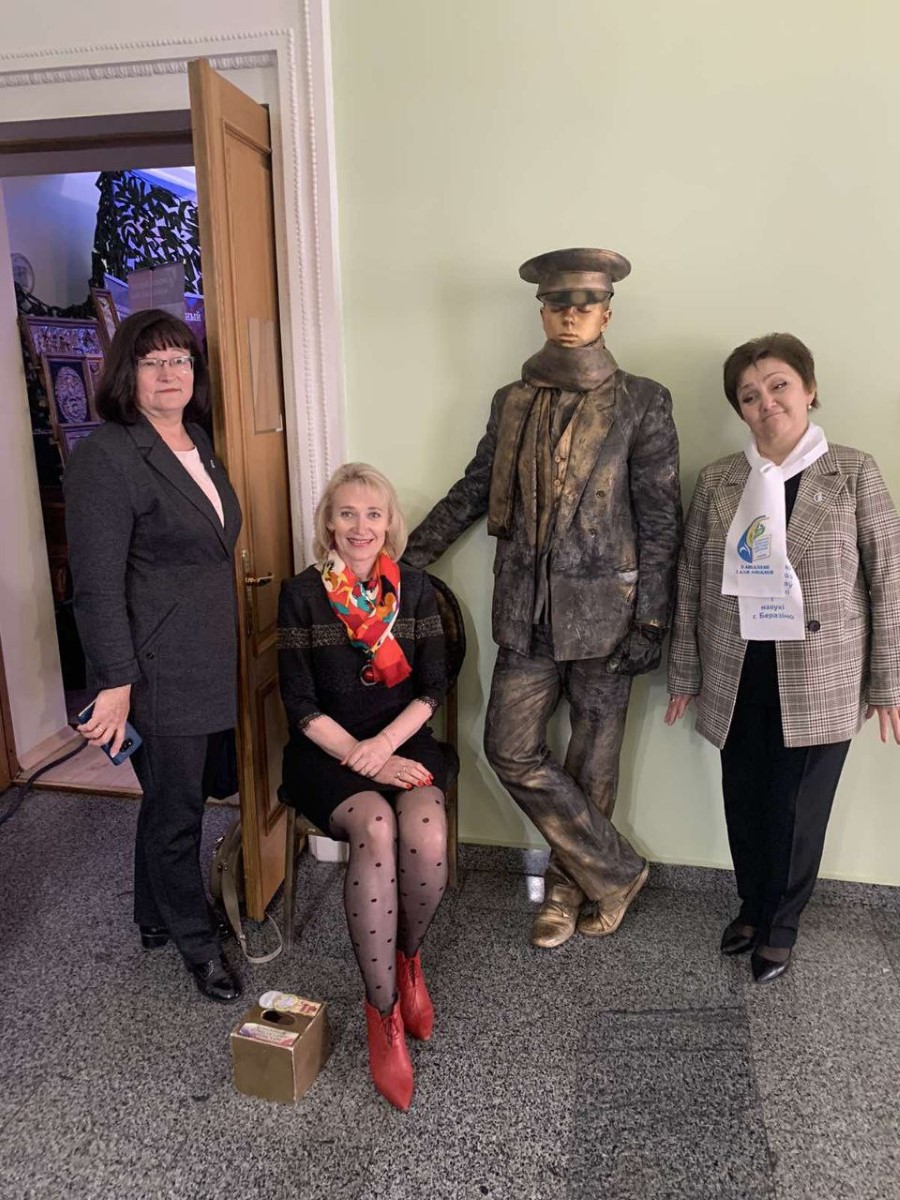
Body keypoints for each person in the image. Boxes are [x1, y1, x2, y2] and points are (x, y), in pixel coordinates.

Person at [404, 247, 682, 948]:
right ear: (542, 311)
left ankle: (565, 891)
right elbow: (475, 487)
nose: (570, 316)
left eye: (585, 305)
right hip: (524, 614)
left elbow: (660, 518)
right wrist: (407, 556)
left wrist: (652, 617)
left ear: (607, 314)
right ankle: (617, 872)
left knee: (593, 763)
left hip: (610, 615)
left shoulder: (643, 400)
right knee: (509, 748)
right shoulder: (513, 400)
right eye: (558, 304)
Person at [666, 332, 900, 982]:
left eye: (779, 386)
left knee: (797, 810)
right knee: (744, 798)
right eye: (749, 395)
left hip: (823, 675)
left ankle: (782, 925)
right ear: (739, 409)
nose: (766, 402)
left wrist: (888, 683)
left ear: (809, 390)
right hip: (738, 669)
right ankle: (752, 907)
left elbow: (889, 581)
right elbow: (690, 580)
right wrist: (684, 670)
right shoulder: (719, 480)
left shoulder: (853, 472)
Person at [65, 308, 243, 1003]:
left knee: (178, 795)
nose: (170, 373)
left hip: (208, 657)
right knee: (178, 813)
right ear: (126, 373)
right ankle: (198, 945)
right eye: (152, 361)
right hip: (154, 667)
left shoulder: (197, 439)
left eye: (181, 359)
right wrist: (115, 684)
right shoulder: (107, 457)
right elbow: (95, 586)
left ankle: (152, 913)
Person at [277, 463, 451, 1111]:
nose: (361, 526)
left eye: (373, 514)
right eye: (347, 513)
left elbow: (433, 687)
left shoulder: (416, 589)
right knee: (375, 825)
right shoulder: (301, 595)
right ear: (329, 522)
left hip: (402, 739)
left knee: (426, 832)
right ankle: (382, 1015)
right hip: (325, 750)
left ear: (389, 523)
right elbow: (298, 703)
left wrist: (384, 749)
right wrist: (361, 756)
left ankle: (408, 961)